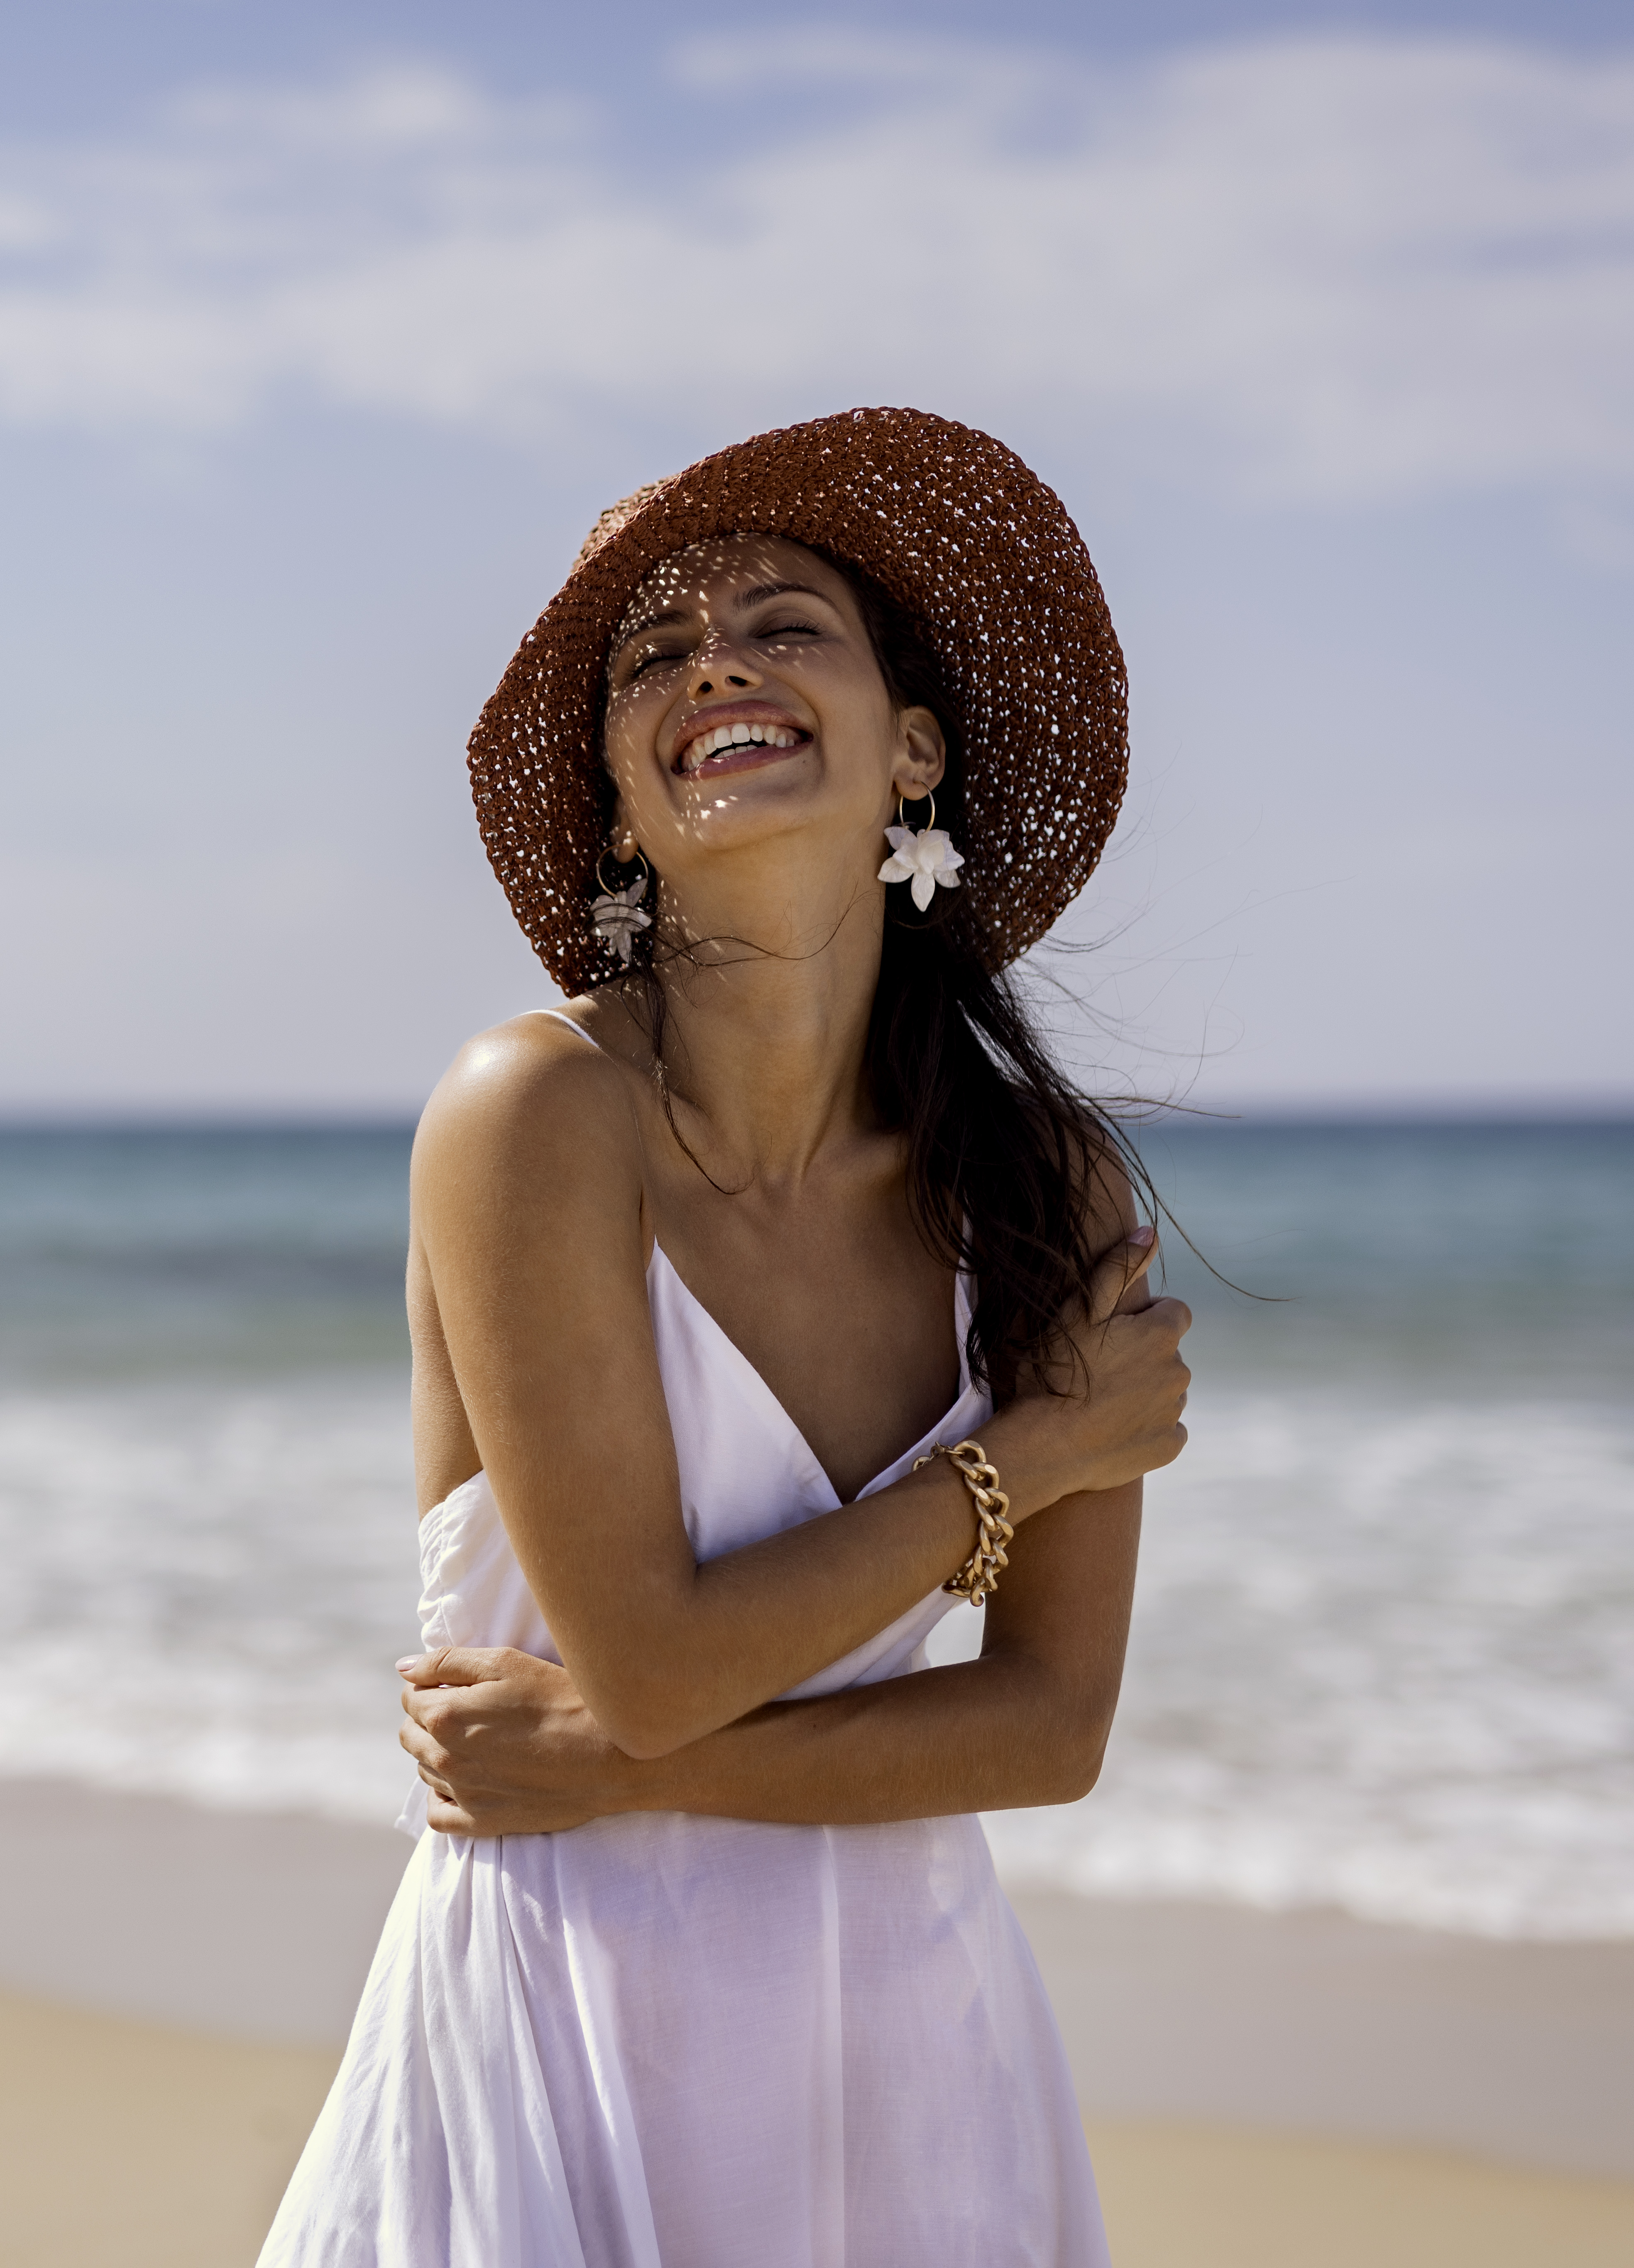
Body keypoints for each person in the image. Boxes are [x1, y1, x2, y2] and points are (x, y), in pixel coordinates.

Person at [258, 411, 1194, 2267]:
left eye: (783, 625)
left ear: (908, 749)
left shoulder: (1044, 1183)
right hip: (562, 2040)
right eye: (654, 658)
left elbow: (1046, 1724)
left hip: (916, 2063)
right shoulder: (528, 1116)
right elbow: (654, 1658)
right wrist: (1022, 1463)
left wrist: (612, 1766)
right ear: (618, 793)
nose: (717, 667)